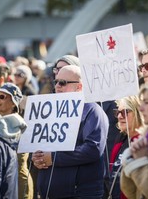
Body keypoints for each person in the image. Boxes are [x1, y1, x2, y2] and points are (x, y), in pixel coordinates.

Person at [32, 65, 109, 198]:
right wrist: (38, 157)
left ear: (79, 87)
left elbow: (93, 149)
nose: (57, 86)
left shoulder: (92, 111)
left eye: (63, 83)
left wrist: (53, 158)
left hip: (79, 193)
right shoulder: (50, 111)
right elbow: (43, 146)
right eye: (55, 82)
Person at [0, 82, 33, 199]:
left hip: (18, 182)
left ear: (13, 103)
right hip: (4, 179)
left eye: (2, 97)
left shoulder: (19, 125)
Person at [105, 96, 143, 199]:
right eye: (118, 112)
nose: (120, 116)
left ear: (138, 113)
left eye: (125, 112)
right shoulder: (120, 141)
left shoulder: (146, 143)